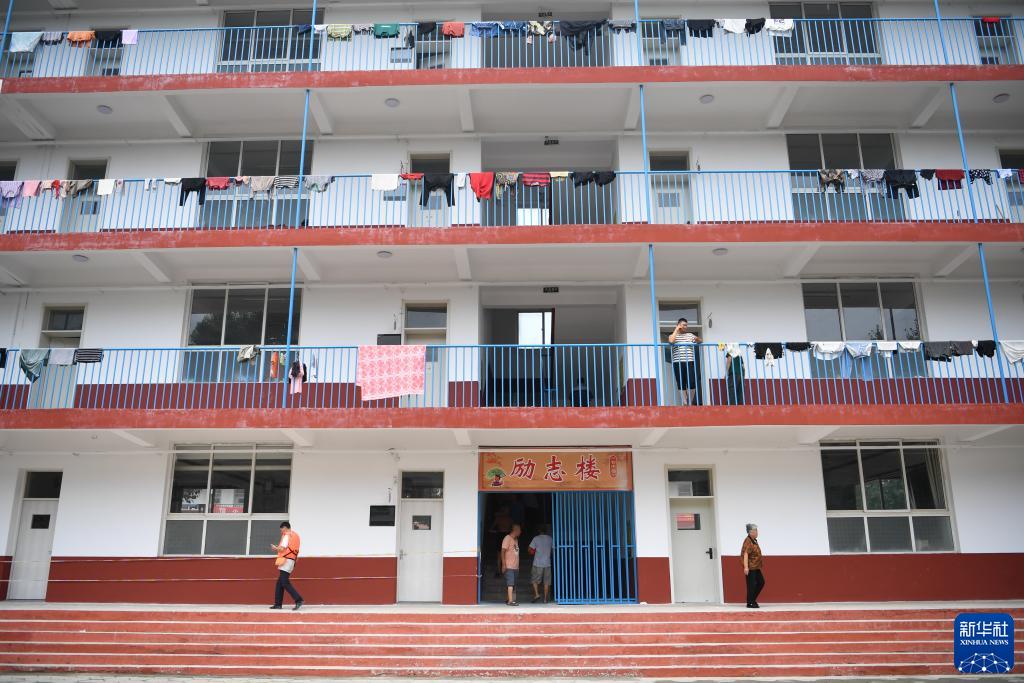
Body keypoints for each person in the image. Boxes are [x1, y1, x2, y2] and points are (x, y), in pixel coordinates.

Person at [270, 521, 304, 610]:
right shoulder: (295, 535)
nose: (281, 532)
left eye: (281, 530)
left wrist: (275, 548)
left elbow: (282, 548)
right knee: (280, 583)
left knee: (284, 582)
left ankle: (299, 600)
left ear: (285, 528)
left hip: (286, 560)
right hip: (291, 560)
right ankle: (278, 604)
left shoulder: (287, 535)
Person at [668, 317, 702, 406]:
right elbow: (671, 341)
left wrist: (697, 339)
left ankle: (691, 401)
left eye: (686, 325)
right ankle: (685, 402)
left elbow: (700, 341)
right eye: (683, 325)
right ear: (678, 325)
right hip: (677, 362)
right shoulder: (673, 336)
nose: (685, 327)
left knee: (692, 382)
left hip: (689, 361)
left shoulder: (690, 335)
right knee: (681, 382)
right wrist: (676, 330)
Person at [741, 523, 764, 609]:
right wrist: (746, 567)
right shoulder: (748, 541)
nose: (757, 532)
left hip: (756, 566)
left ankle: (752, 600)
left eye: (757, 531)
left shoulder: (754, 540)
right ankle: (750, 602)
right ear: (751, 532)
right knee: (751, 585)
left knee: (761, 582)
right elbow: (745, 554)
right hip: (751, 567)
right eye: (755, 531)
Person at [528, 525, 553, 603]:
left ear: (539, 531)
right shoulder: (550, 539)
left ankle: (537, 594)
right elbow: (553, 550)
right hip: (547, 563)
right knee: (546, 582)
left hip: (537, 563)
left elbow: (529, 549)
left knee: (534, 580)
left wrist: (533, 551)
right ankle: (545, 599)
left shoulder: (536, 538)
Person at [500, 523, 522, 606]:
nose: (520, 532)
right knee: (510, 583)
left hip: (515, 567)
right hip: (509, 566)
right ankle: (510, 601)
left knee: (513, 584)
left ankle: (509, 599)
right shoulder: (507, 538)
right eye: (519, 530)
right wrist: (503, 564)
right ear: (515, 530)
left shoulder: (516, 540)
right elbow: (502, 552)